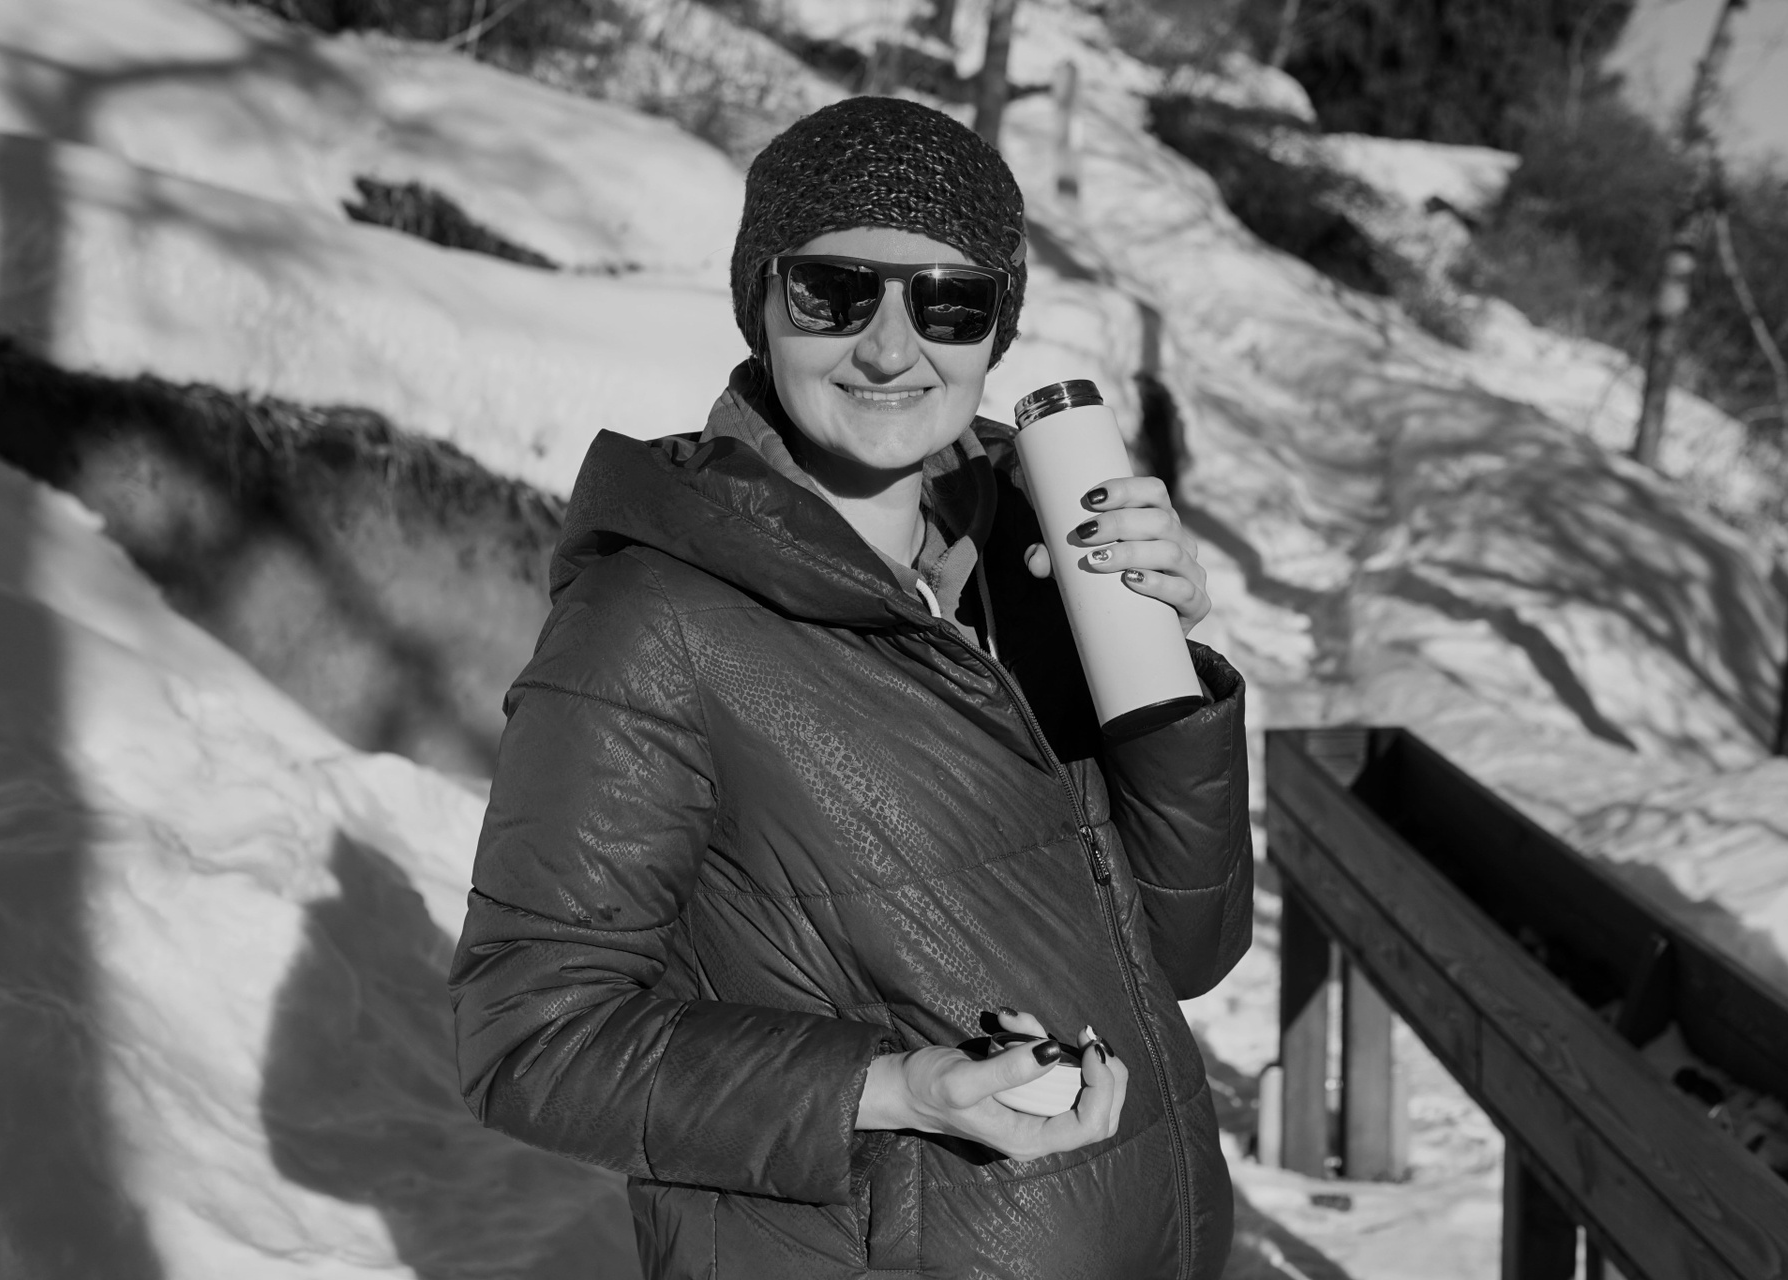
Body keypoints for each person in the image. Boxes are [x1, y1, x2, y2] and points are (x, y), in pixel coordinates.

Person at [449, 96, 1252, 1280]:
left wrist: (1163, 679)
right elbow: (529, 1038)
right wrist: (892, 1087)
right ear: (762, 302)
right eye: (834, 292)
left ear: (997, 327)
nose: (888, 347)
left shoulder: (1026, 561)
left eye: (948, 301)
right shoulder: (650, 620)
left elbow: (1185, 949)